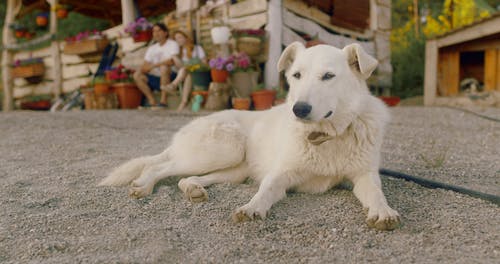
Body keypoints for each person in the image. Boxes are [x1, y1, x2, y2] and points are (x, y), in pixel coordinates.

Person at [133, 22, 179, 109]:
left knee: (164, 67)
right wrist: (146, 68)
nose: (156, 33)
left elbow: (171, 61)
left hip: (171, 76)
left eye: (159, 31)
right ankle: (152, 101)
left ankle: (163, 101)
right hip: (156, 77)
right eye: (154, 31)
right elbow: (144, 66)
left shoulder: (172, 44)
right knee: (137, 75)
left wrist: (154, 65)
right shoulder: (152, 48)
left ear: (165, 33)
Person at [162, 30, 207, 111]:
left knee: (186, 70)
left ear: (186, 38)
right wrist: (174, 56)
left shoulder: (196, 48)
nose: (178, 40)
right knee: (188, 74)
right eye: (176, 39)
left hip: (199, 74)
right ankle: (184, 102)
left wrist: (194, 66)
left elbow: (204, 63)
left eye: (180, 37)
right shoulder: (179, 52)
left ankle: (173, 85)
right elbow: (180, 67)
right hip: (187, 74)